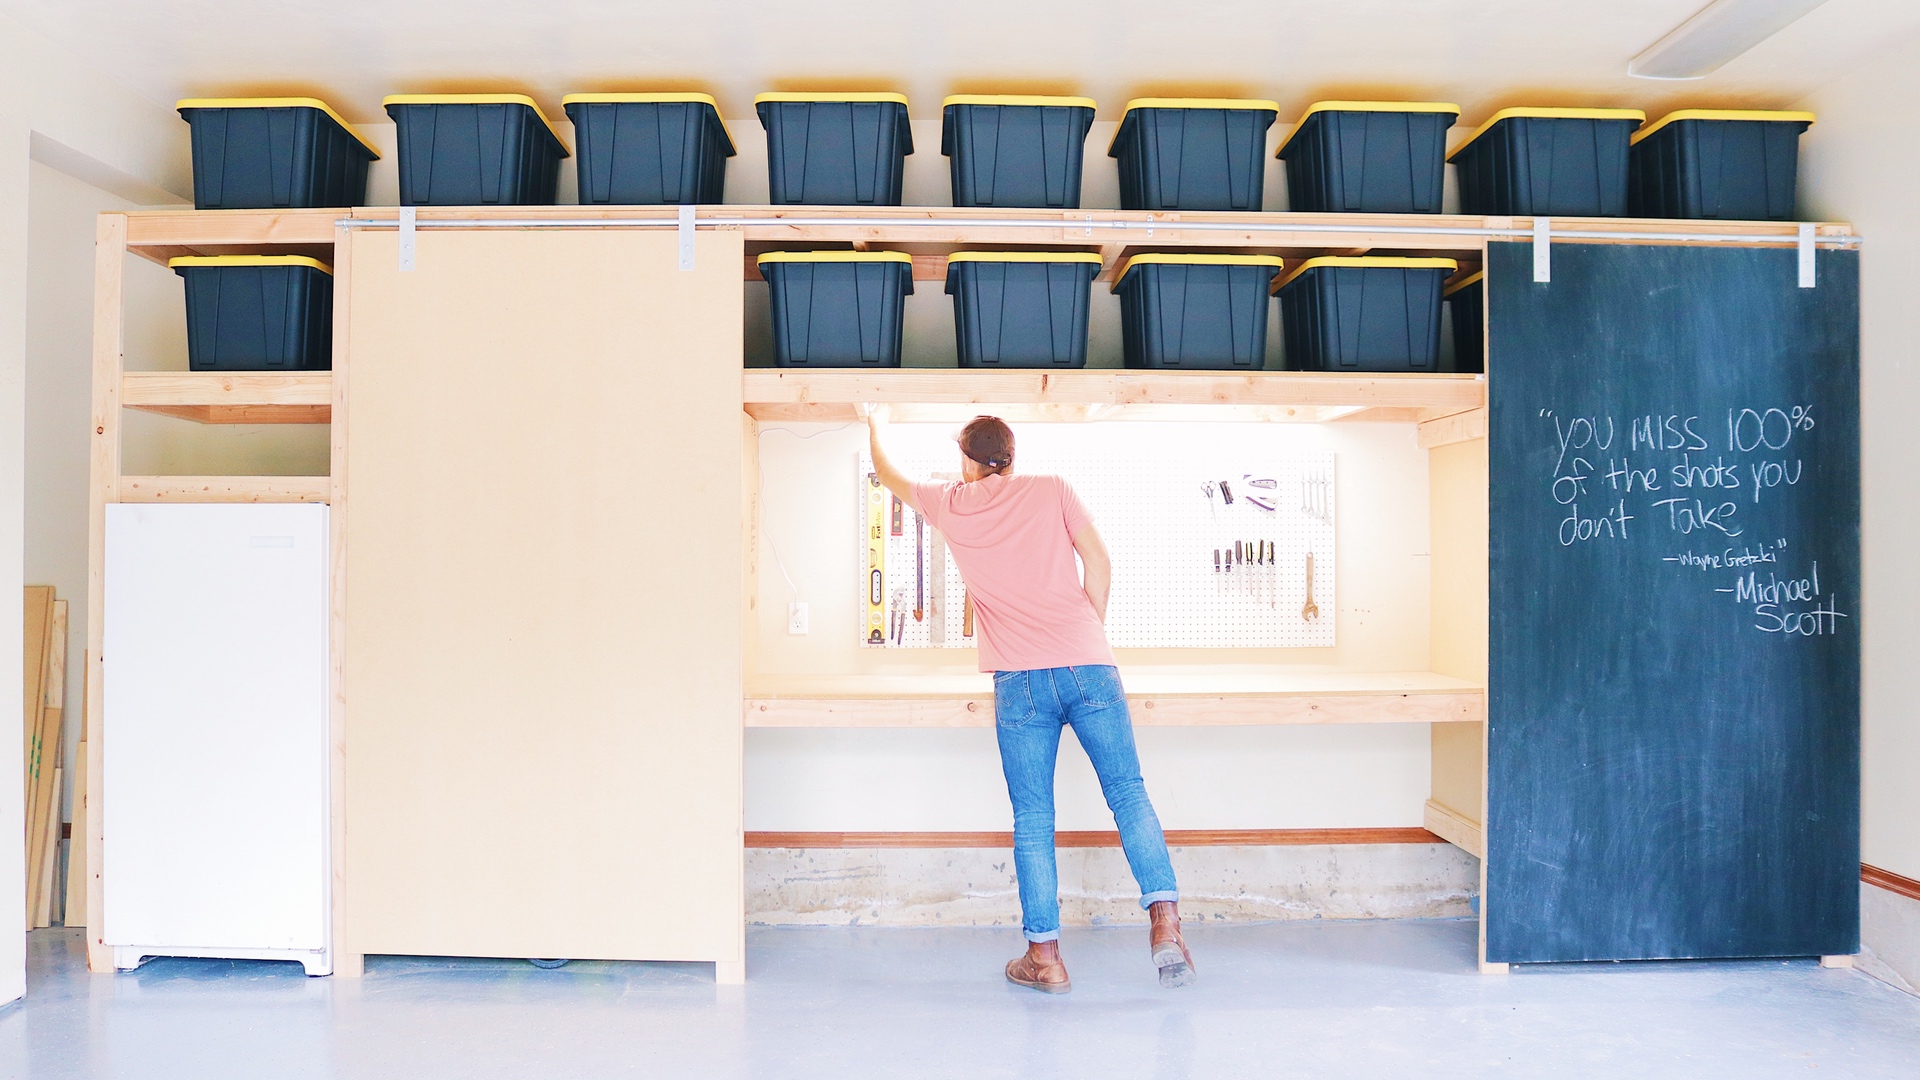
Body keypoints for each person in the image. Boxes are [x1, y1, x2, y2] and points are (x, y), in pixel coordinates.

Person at [865, 406, 1194, 994]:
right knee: (1128, 794)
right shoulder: (1052, 489)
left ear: (967, 460)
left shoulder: (951, 504)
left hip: (1018, 680)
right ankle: (1165, 921)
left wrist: (874, 423)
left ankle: (1044, 957)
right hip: (1089, 664)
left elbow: (886, 472)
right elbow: (1098, 561)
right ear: (1012, 458)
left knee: (1034, 819)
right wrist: (1084, 631)